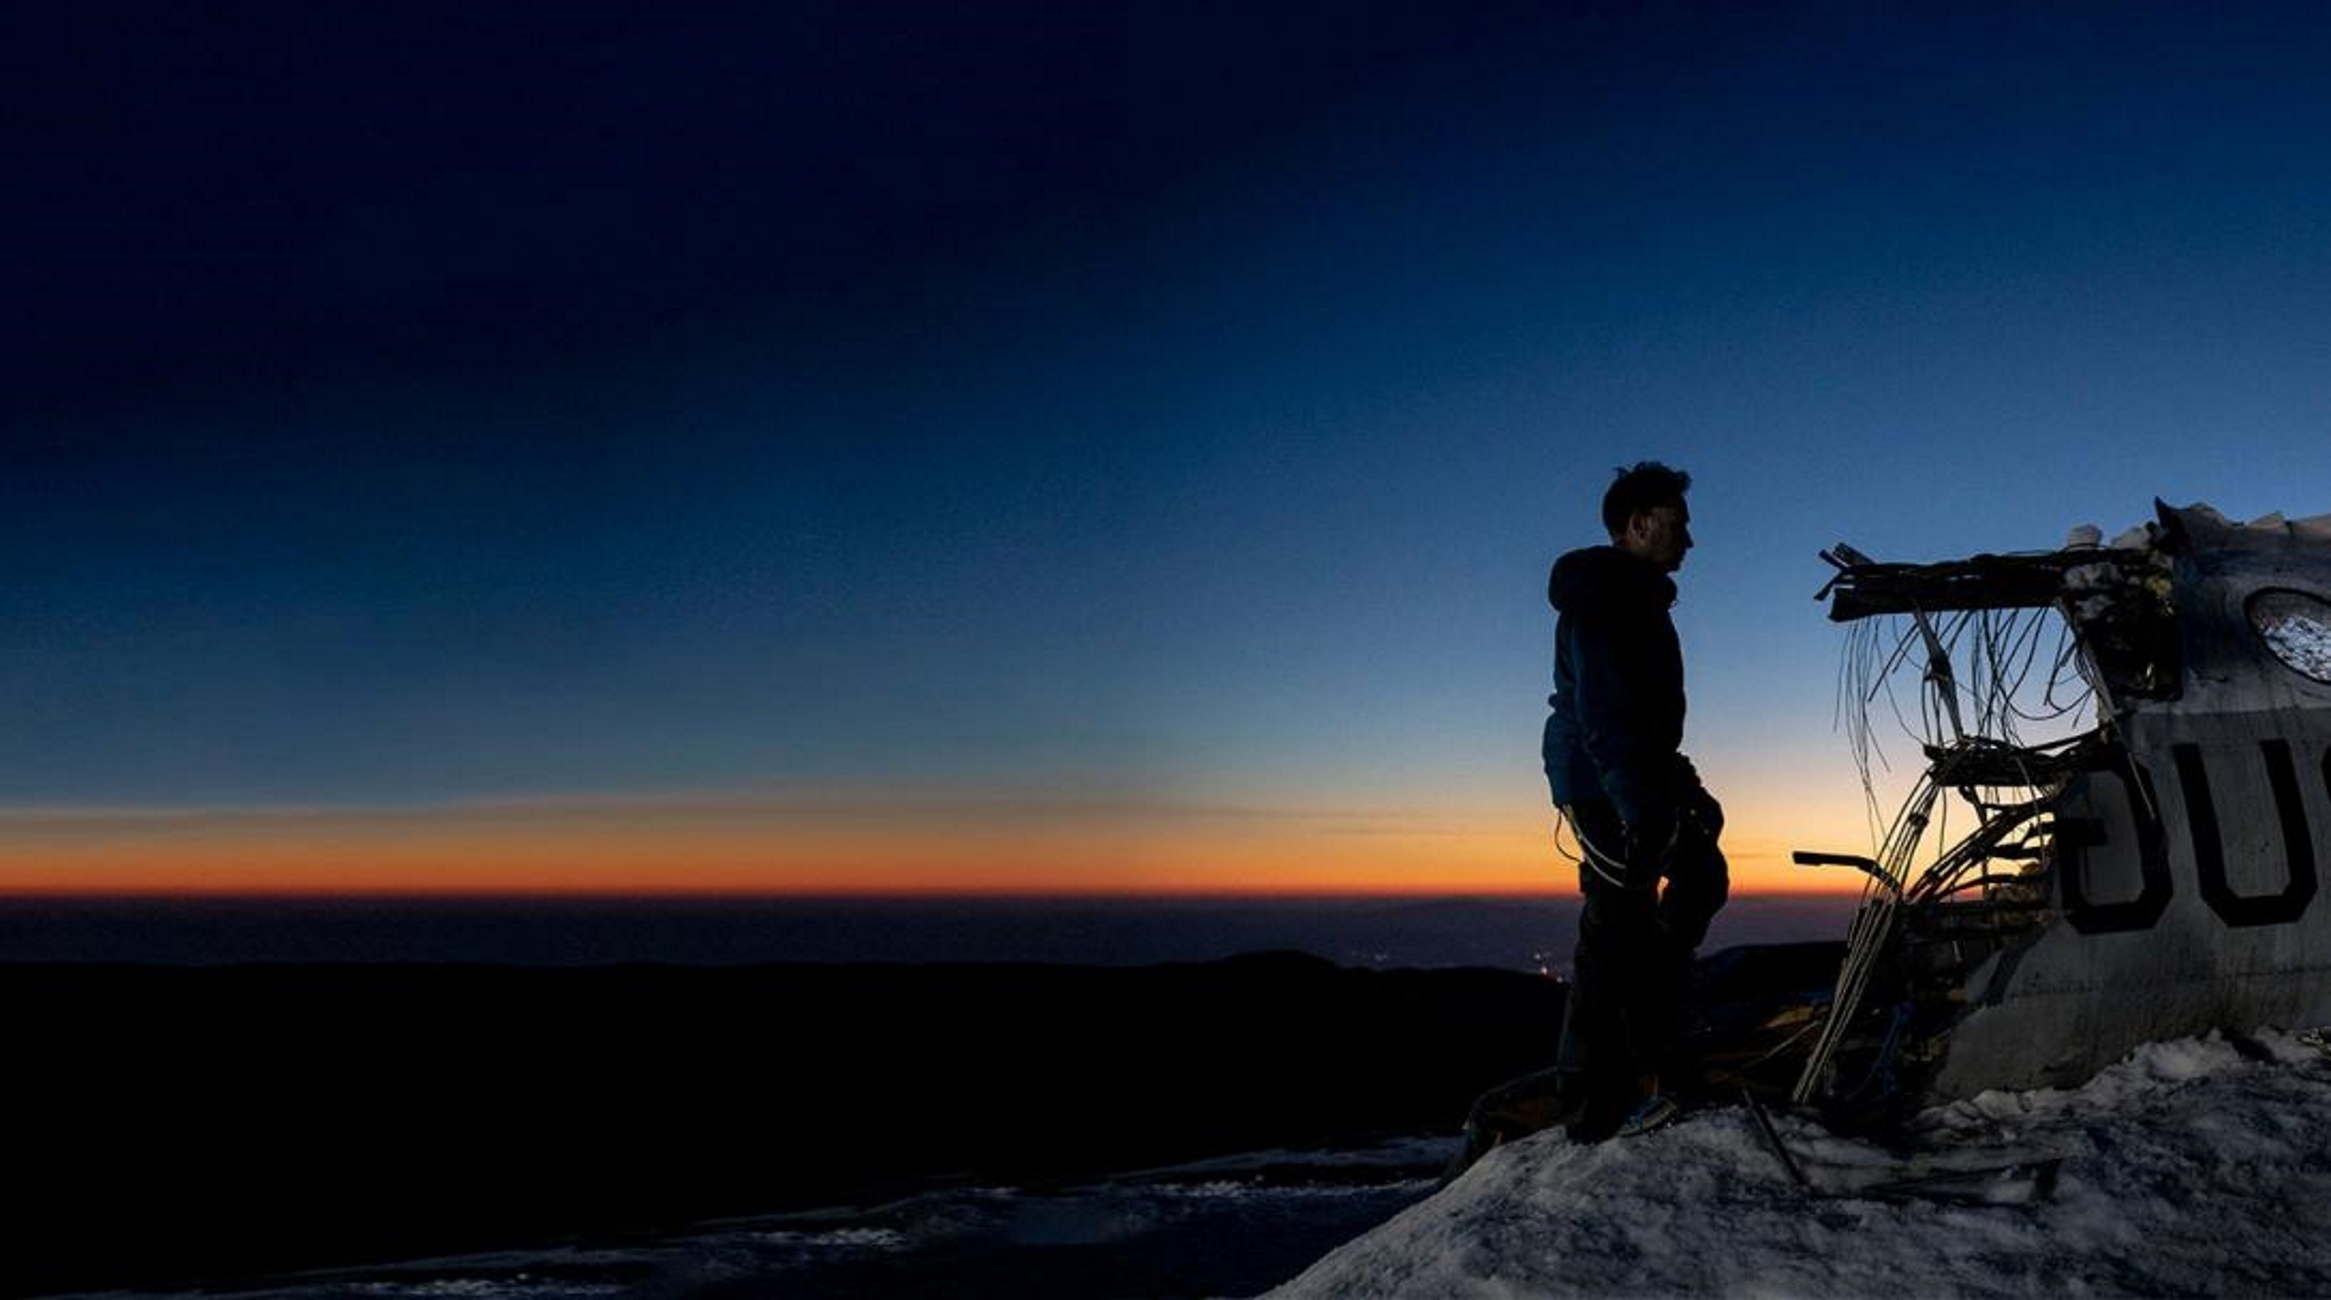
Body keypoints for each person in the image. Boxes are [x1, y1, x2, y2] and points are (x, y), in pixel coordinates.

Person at [1542, 461, 1729, 1141]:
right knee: (1614, 924)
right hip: (1601, 783)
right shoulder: (1604, 600)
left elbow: (1643, 720)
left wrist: (1685, 790)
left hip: (1635, 773)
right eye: (1679, 525)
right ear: (1638, 524)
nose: (1689, 540)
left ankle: (1652, 1036)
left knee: (1699, 879)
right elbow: (1603, 716)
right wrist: (1636, 807)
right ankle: (1590, 1105)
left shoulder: (1635, 596)